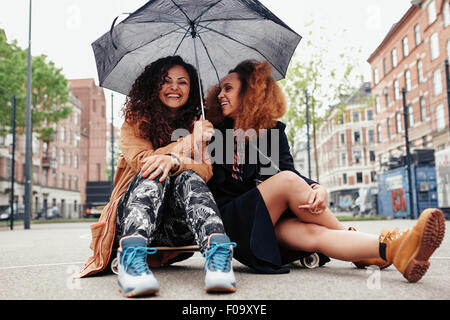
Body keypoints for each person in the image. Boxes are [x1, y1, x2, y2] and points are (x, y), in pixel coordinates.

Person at [204, 59, 446, 282]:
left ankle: (394, 250)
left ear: (250, 92)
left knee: (314, 233)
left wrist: (318, 188)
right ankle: (360, 241)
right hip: (230, 224)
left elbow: (289, 170)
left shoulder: (273, 132)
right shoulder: (211, 132)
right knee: (287, 181)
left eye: (229, 88)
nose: (221, 95)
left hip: (264, 224)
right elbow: (284, 179)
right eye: (222, 89)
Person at [77, 56, 237, 297]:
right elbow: (144, 161)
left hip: (176, 228)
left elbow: (206, 170)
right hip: (134, 220)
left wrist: (175, 160)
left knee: (190, 177)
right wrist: (189, 142)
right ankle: (131, 261)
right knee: (153, 173)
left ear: (190, 89)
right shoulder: (135, 122)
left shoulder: (198, 123)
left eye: (182, 82)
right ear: (155, 86)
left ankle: (218, 257)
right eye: (166, 81)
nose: (174, 87)